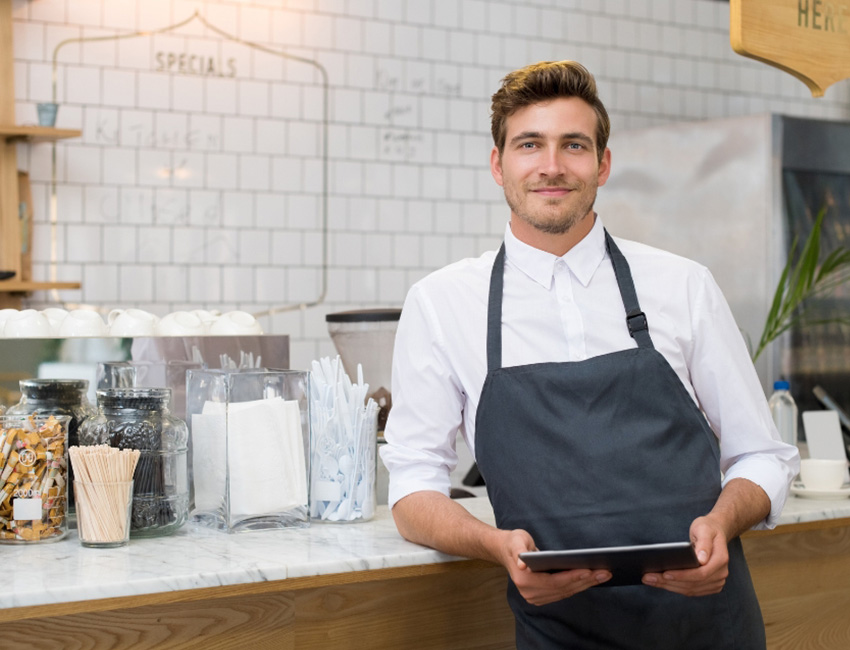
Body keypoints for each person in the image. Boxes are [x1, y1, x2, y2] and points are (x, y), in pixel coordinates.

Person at [379, 60, 800, 649]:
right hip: (560, 634)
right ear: (499, 164)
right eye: (530, 145)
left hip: (707, 629)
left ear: (602, 163)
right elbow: (413, 487)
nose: (552, 166)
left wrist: (723, 523)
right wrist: (494, 545)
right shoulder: (442, 303)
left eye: (573, 145)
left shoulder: (683, 285)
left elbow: (762, 455)